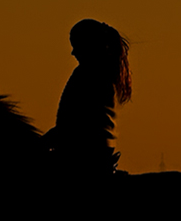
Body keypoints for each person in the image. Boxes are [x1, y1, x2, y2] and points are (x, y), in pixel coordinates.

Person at [40, 19, 132, 179]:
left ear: (88, 45)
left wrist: (43, 143)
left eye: (76, 46)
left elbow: (79, 123)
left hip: (84, 159)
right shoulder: (95, 73)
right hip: (90, 154)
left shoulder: (90, 75)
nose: (73, 52)